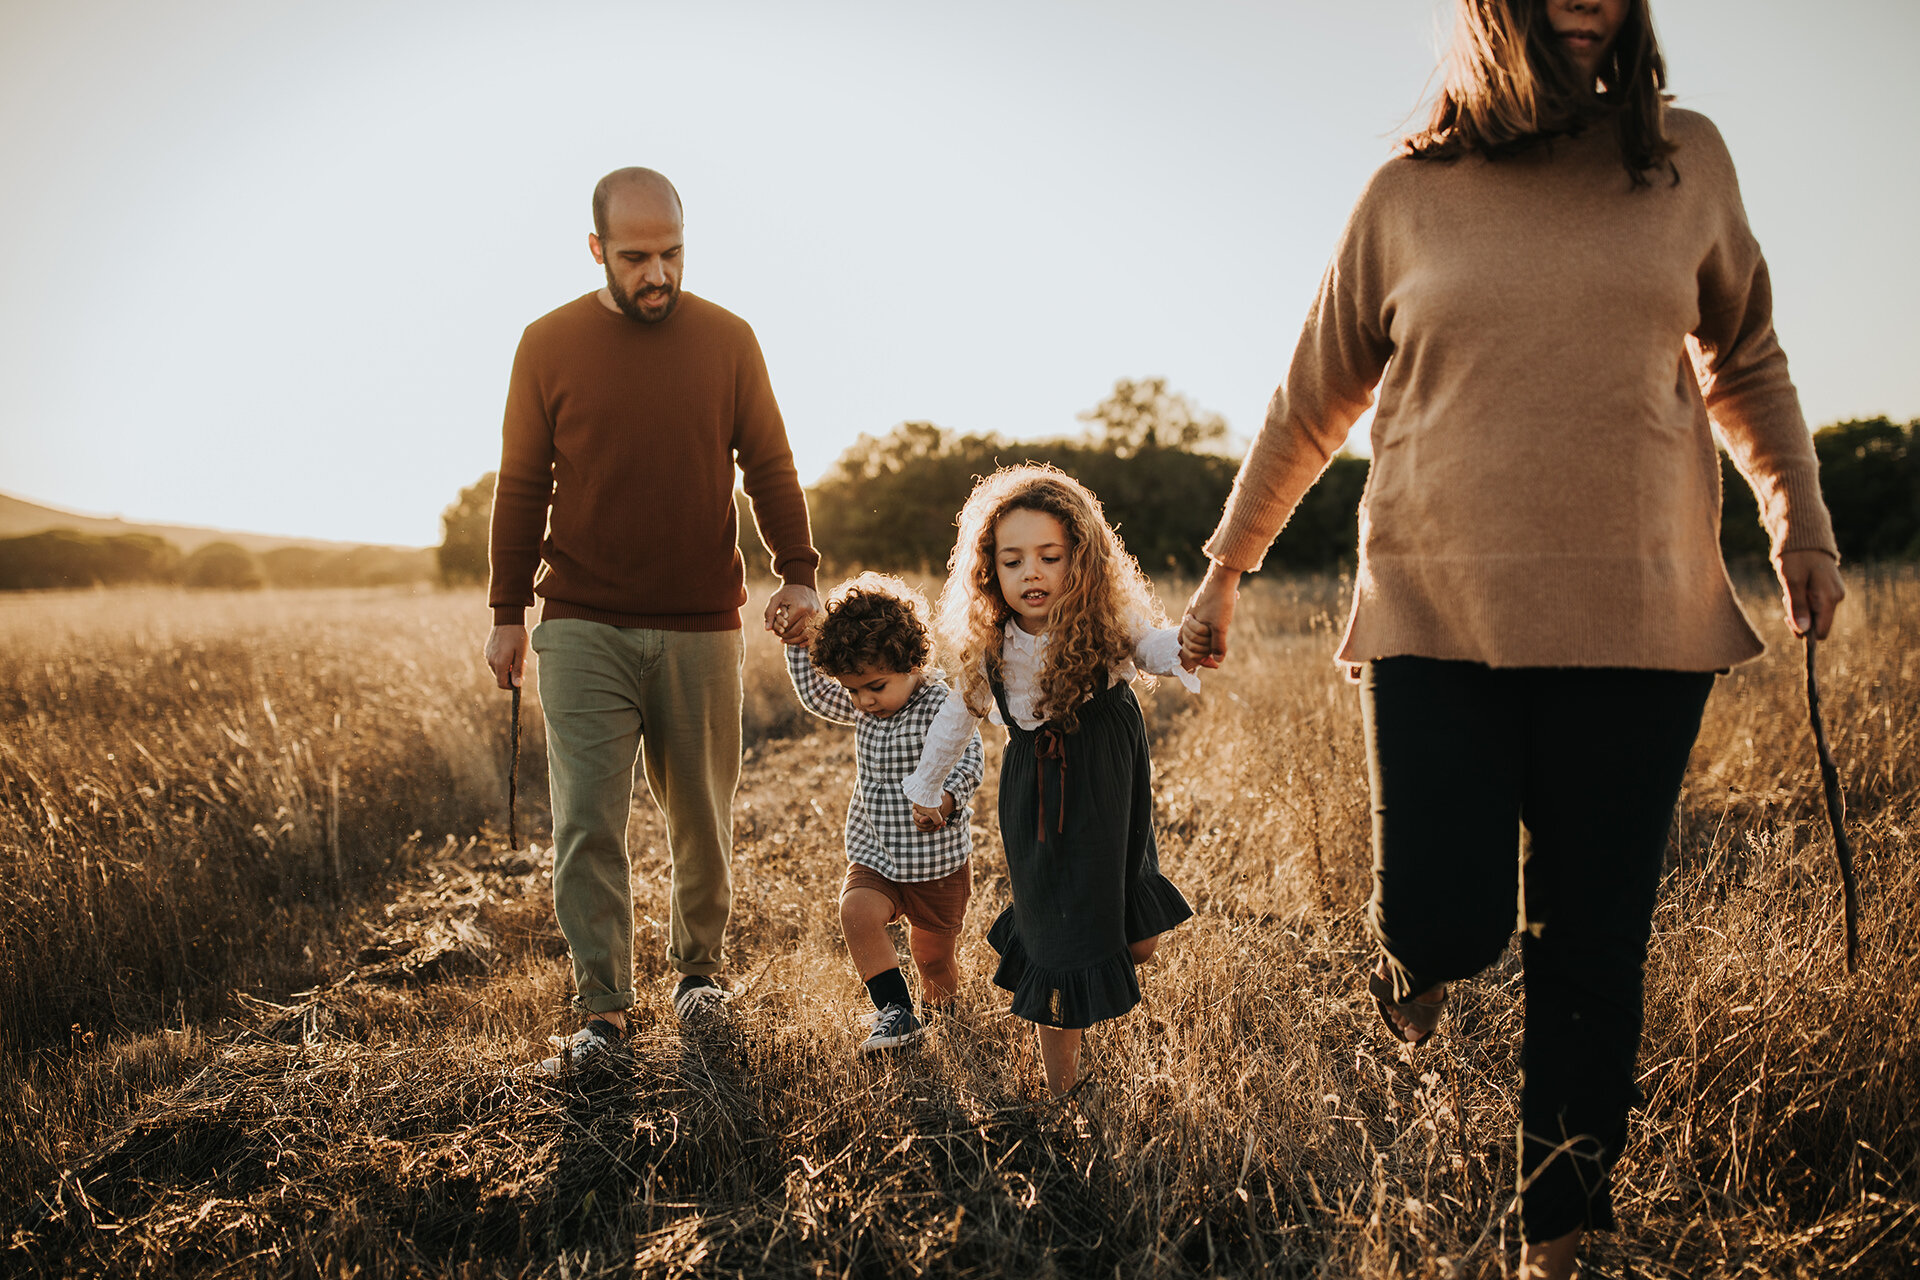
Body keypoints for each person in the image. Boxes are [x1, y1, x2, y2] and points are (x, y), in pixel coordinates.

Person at [1180, 1, 1844, 1275]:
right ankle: (1423, 958)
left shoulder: (1685, 159)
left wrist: (1797, 518)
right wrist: (1224, 568)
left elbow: (1745, 356)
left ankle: (1566, 1221)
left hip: (1639, 611)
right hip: (1436, 609)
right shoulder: (1407, 193)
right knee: (1445, 912)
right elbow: (1313, 392)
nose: (1587, 4)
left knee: (1592, 935)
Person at [483, 167, 822, 1075]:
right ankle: (603, 1016)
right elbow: (520, 486)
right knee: (586, 823)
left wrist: (799, 573)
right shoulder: (545, 344)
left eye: (672, 252)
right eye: (636, 257)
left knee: (701, 817)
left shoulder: (729, 340)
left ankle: (699, 981)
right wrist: (506, 611)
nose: (657, 273)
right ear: (597, 250)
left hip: (703, 622)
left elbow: (772, 464)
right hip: (582, 619)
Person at [905, 466, 1198, 1096]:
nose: (1031, 573)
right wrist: (926, 787)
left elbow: (1152, 648)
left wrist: (1188, 647)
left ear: (1081, 560)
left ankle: (1097, 946)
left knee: (1138, 940)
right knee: (1058, 941)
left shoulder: (1103, 625)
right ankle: (1063, 1087)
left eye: (1049, 556)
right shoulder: (991, 647)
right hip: (1039, 793)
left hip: (1112, 785)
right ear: (990, 571)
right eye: (1012, 561)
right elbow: (956, 718)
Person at [782, 573, 985, 1053]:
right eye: (853, 691)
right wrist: (797, 641)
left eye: (874, 687)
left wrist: (947, 800)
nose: (864, 701)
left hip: (937, 864)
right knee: (855, 910)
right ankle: (895, 1010)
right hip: (876, 854)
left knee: (933, 960)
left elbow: (971, 759)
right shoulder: (863, 706)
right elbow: (815, 695)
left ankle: (945, 1021)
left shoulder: (942, 704)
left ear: (912, 662)